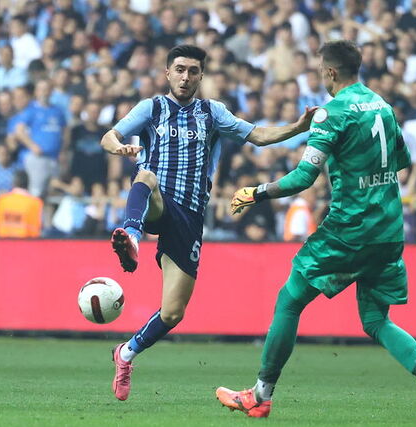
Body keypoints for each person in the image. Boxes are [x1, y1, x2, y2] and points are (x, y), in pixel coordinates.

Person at [215, 40, 416, 422]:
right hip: (389, 229)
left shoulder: (332, 113)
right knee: (376, 320)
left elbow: (303, 177)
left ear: (329, 72)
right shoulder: (383, 106)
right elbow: (403, 160)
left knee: (290, 300)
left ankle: (260, 395)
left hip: (349, 228)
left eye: (319, 70)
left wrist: (256, 192)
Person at [100, 45, 316, 402]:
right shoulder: (151, 108)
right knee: (146, 176)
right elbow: (110, 135)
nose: (185, 77)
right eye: (179, 69)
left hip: (190, 216)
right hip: (158, 201)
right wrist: (118, 148)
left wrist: (298, 127)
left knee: (173, 313)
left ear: (201, 76)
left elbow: (258, 135)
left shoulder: (212, 112)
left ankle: (125, 353)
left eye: (193, 71)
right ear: (167, 73)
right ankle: (132, 236)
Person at [0, 170, 43, 238]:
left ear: (13, 184)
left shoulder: (0, 201)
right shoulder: (36, 203)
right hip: (28, 242)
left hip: (3, 242)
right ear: (28, 184)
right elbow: (39, 227)